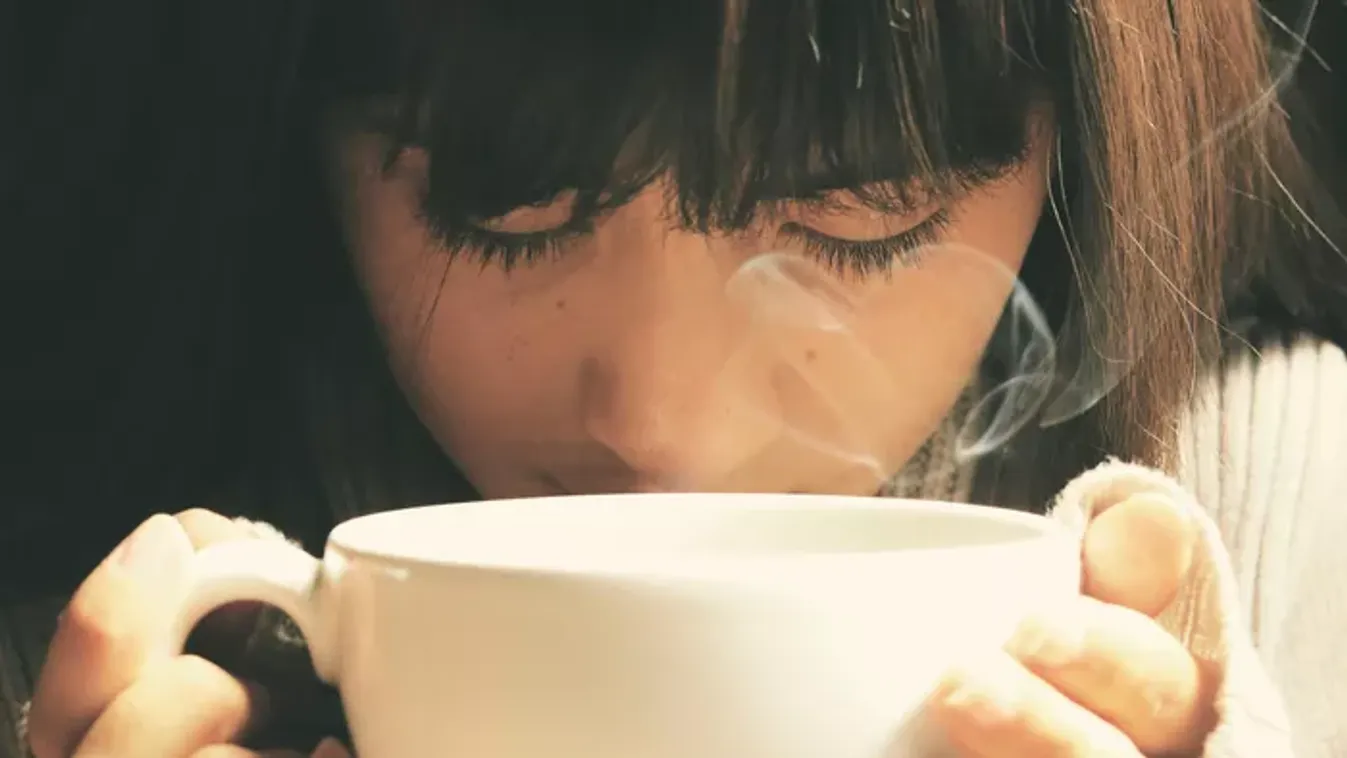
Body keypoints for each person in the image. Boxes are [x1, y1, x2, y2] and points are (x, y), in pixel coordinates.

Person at [3, 0, 1347, 756]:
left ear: (1078, 147)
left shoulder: (1272, 503)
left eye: (858, 219)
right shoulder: (107, 604)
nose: (658, 425)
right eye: (501, 211)